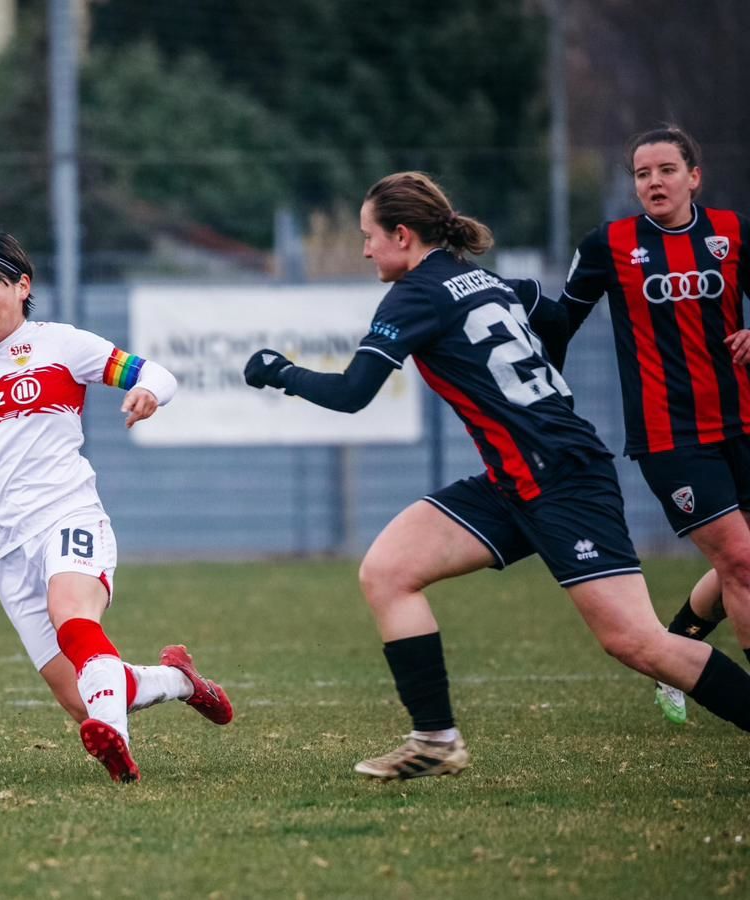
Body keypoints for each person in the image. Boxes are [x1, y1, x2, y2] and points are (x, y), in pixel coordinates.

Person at [243, 171, 750, 780]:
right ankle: (436, 741)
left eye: (368, 235)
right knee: (387, 571)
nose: (364, 249)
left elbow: (353, 393)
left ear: (402, 235)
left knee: (636, 643)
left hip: (563, 479)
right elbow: (555, 318)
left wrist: (277, 371)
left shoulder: (416, 294)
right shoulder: (493, 283)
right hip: (515, 480)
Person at [0, 233, 233, 783]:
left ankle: (119, 753)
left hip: (67, 514)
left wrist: (149, 393)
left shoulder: (61, 343)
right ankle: (178, 680)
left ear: (21, 286)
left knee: (72, 615)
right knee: (82, 697)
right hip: (4, 548)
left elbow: (153, 372)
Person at [530, 125, 748, 725]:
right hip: (669, 437)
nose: (653, 181)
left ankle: (679, 644)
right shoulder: (609, 244)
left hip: (742, 423)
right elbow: (560, 325)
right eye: (642, 173)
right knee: (742, 560)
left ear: (694, 177)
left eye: (666, 170)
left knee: (741, 562)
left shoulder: (732, 234)